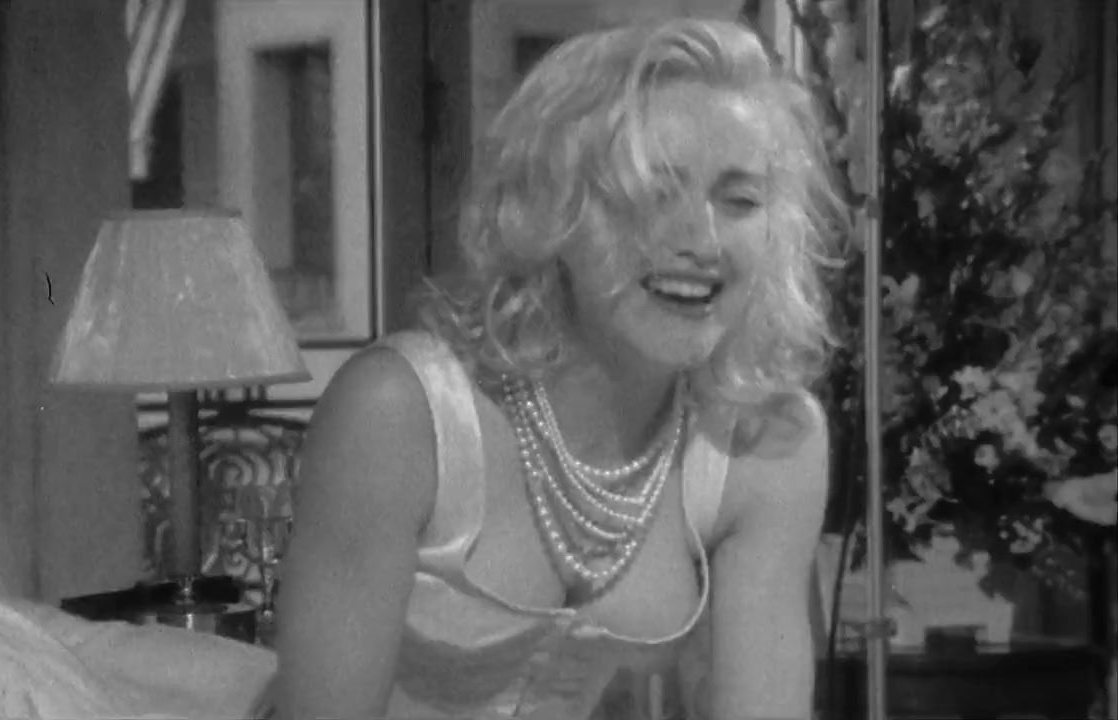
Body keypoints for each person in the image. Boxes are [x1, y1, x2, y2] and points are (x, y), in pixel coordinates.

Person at [270, 15, 848, 720]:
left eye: (740, 202)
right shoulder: (396, 416)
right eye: (651, 194)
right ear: (549, 211)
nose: (702, 242)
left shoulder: (769, 444)